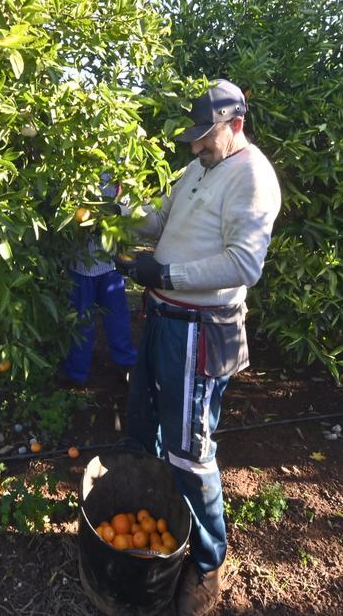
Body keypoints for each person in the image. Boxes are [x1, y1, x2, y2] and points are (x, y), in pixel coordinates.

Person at [116, 79, 281, 616]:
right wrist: (117, 198)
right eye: (193, 138)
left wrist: (166, 271)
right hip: (164, 318)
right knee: (150, 428)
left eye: (205, 137)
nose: (196, 146)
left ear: (236, 125)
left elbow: (243, 264)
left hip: (200, 329)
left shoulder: (252, 178)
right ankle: (168, 527)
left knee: (190, 447)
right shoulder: (199, 168)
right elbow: (159, 220)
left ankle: (211, 563)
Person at [58, 174, 137, 385]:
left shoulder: (119, 168)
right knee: (82, 320)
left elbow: (125, 207)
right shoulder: (75, 170)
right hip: (80, 262)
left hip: (109, 261)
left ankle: (126, 364)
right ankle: (77, 373)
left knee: (116, 316)